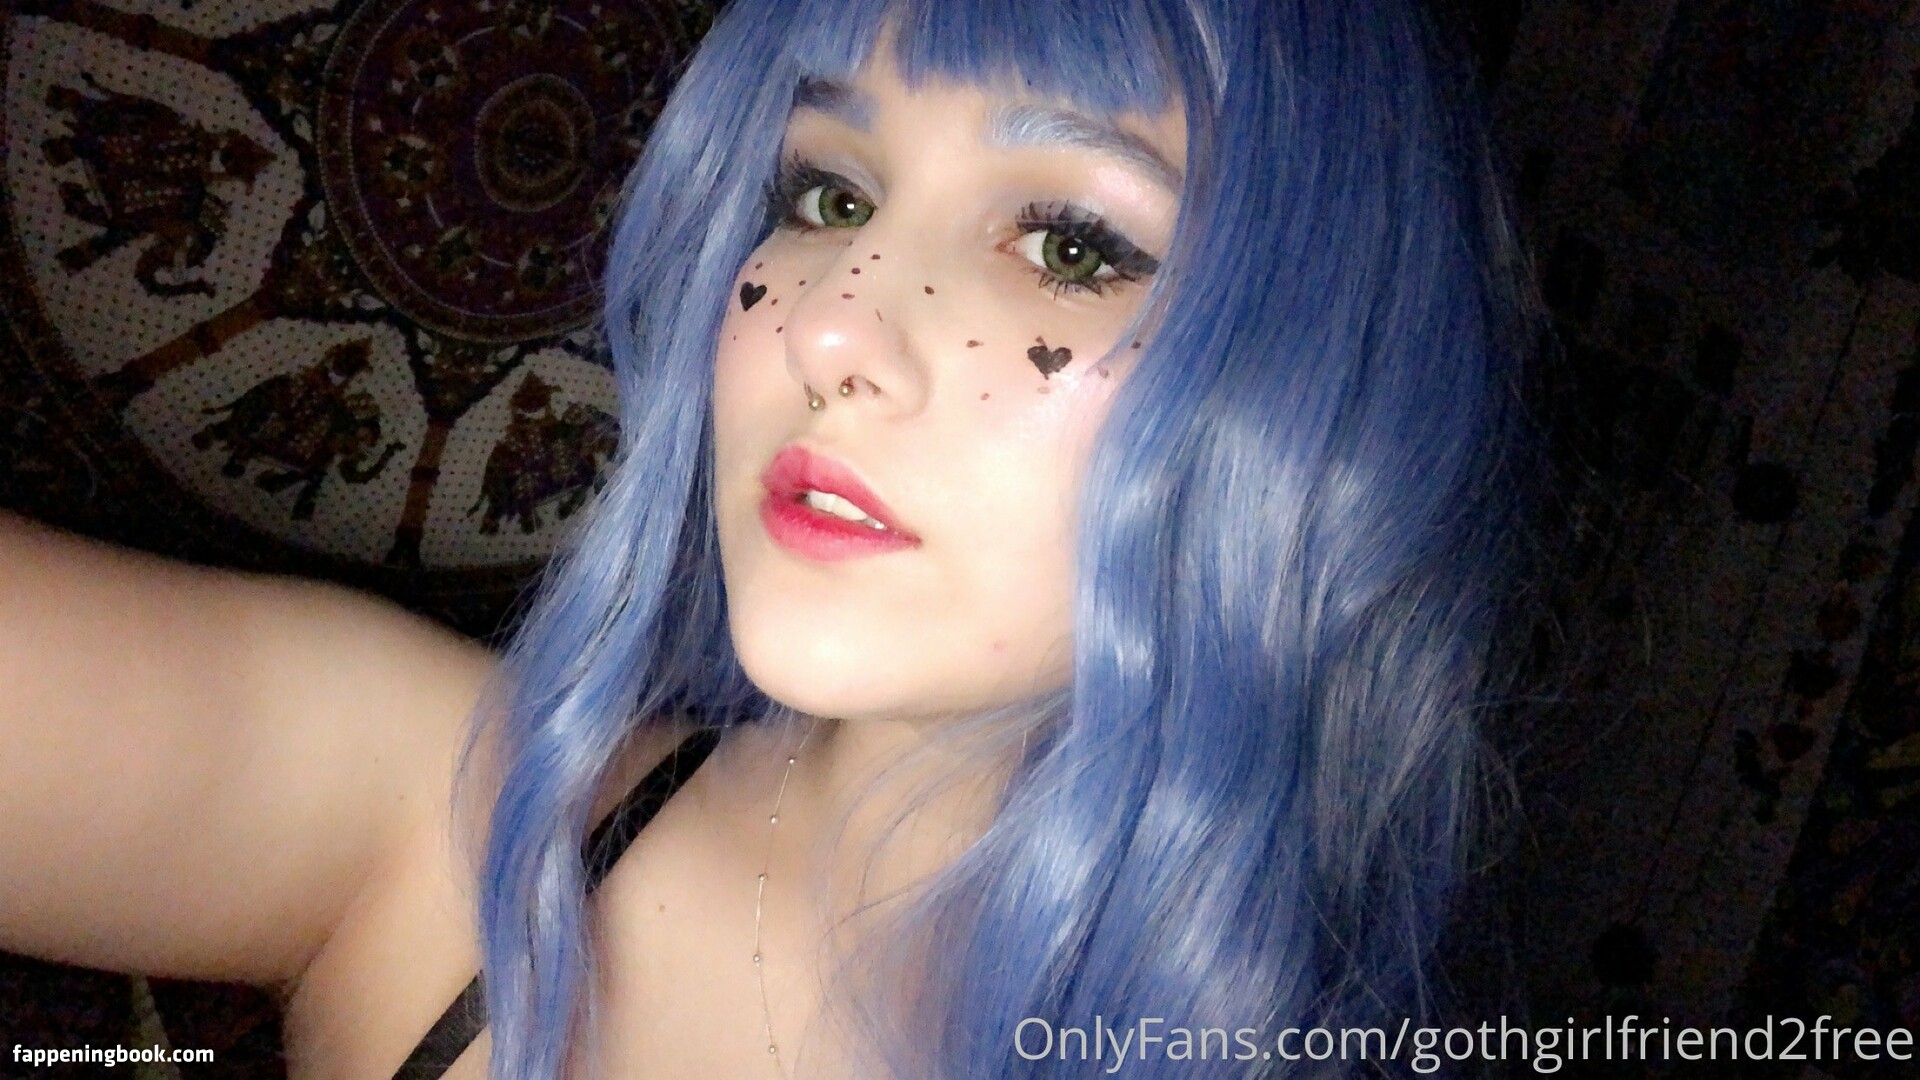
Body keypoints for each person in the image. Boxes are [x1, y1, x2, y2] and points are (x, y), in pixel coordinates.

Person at [0, 0, 1544, 1075]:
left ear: (1324, 422)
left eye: (1069, 242)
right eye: (829, 195)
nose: (830, 329)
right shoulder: (446, 824)